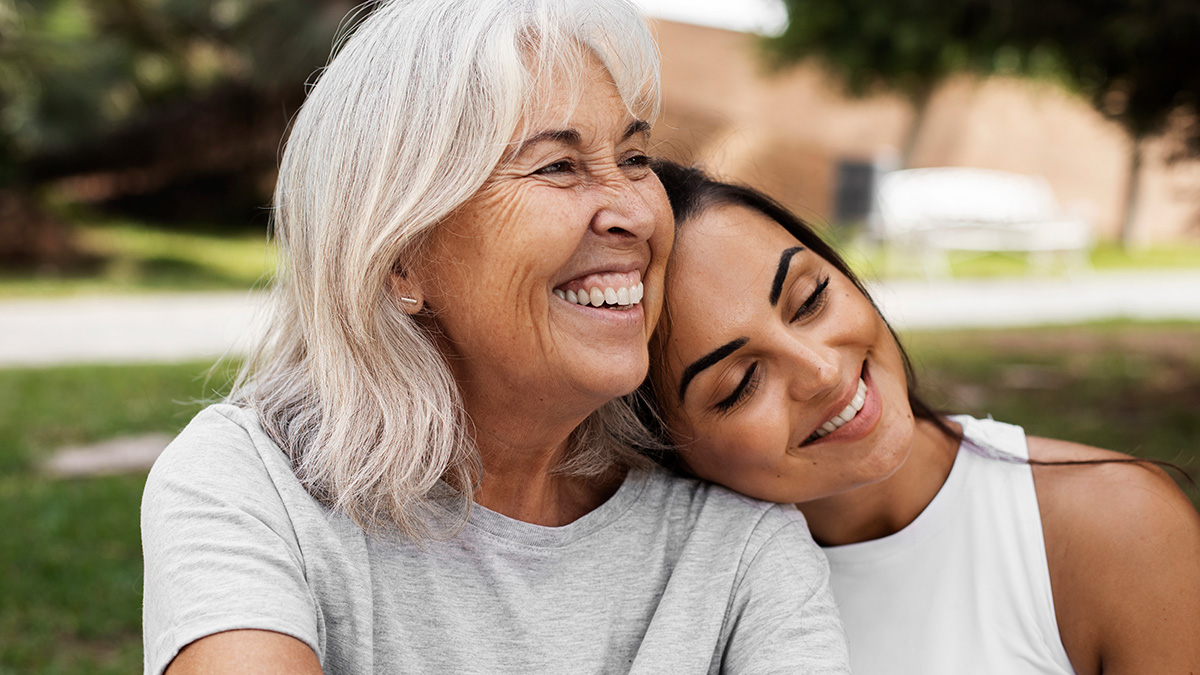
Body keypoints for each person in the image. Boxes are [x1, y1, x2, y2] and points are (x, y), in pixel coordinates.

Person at [140, 3, 851, 674]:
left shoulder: (734, 539)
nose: (635, 211)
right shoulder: (254, 486)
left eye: (635, 158)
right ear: (400, 258)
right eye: (557, 166)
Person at [638, 159, 1200, 675]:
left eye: (810, 300)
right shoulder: (660, 614)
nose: (823, 371)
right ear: (666, 446)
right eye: (741, 383)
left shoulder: (1118, 526)